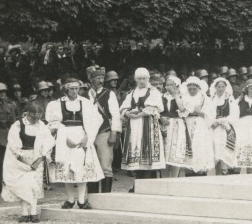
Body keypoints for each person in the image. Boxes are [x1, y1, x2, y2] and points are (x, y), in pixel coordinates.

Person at [45, 78, 105, 209]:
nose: (74, 91)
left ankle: (82, 201)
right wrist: (64, 139)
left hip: (82, 136)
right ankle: (71, 200)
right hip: (64, 138)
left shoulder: (86, 103)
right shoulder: (56, 104)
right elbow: (53, 124)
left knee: (82, 169)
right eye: (71, 88)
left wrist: (87, 137)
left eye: (76, 88)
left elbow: (95, 121)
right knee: (68, 170)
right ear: (66, 89)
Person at [1, 101, 55, 222]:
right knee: (23, 185)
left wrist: (39, 160)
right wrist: (23, 160)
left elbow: (48, 143)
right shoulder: (18, 125)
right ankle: (24, 213)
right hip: (22, 159)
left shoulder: (42, 126)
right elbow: (13, 144)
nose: (36, 119)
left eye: (38, 115)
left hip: (37, 158)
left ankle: (34, 212)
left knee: (34, 185)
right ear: (27, 114)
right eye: (33, 116)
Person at [119, 68, 166, 191]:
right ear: (135, 79)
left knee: (147, 150)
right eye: (139, 78)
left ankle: (148, 185)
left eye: (144, 78)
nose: (141, 81)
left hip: (147, 124)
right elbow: (125, 106)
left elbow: (157, 108)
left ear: (148, 79)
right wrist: (127, 113)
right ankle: (138, 184)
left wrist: (140, 114)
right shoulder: (132, 92)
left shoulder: (153, 91)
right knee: (136, 151)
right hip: (134, 125)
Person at [87, 66, 121, 194]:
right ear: (91, 79)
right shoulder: (84, 95)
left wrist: (113, 133)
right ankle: (92, 196)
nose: (100, 80)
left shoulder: (109, 94)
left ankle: (106, 198)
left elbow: (115, 115)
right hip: (89, 135)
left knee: (106, 166)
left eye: (102, 77)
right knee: (91, 165)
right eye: (97, 78)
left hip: (104, 132)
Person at [206, 77, 238, 176]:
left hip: (225, 127)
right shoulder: (210, 99)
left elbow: (235, 113)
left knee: (223, 146)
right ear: (215, 87)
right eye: (219, 86)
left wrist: (223, 121)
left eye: (223, 86)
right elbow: (207, 113)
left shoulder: (229, 98)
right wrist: (212, 122)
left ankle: (224, 170)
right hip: (214, 127)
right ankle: (213, 173)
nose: (221, 89)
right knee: (214, 146)